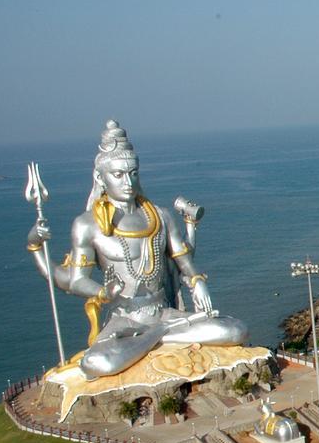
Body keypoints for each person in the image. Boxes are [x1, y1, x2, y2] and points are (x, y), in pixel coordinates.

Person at [27, 120, 247, 378]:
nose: (128, 182)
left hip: (163, 312)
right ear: (100, 177)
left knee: (234, 330)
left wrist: (198, 281)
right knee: (98, 362)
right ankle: (160, 336)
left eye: (133, 173)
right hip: (125, 318)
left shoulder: (160, 217)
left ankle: (154, 337)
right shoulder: (88, 225)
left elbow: (184, 262)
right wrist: (102, 291)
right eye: (118, 175)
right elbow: (75, 281)